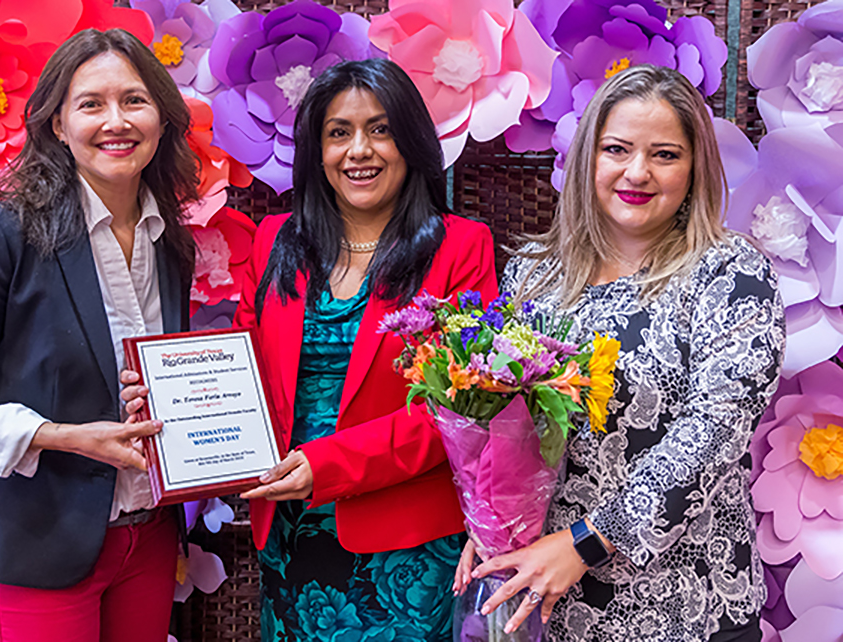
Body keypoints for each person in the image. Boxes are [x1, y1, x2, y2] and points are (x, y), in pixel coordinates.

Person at [123, 57, 497, 640]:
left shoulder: (460, 247)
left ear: (411, 141)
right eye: (338, 133)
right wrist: (168, 406)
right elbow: (241, 366)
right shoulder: (278, 239)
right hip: (291, 534)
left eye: (380, 129)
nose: (359, 150)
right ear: (316, 152)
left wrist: (324, 466)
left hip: (404, 546)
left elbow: (455, 411)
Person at [456, 64, 785, 642]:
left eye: (664, 154)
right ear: (588, 159)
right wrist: (493, 527)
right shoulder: (534, 277)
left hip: (684, 606)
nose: (638, 172)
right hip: (547, 600)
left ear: (694, 168)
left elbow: (712, 435)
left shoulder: (732, 274)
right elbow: (505, 427)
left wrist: (586, 540)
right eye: (617, 149)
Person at [0, 29, 200, 642]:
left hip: (146, 535)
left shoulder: (169, 243)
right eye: (91, 103)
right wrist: (62, 437)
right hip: (34, 539)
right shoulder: (0, 237)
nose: (115, 121)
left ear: (162, 119)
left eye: (134, 100)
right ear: (57, 125)